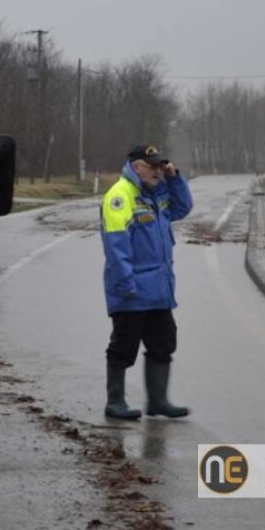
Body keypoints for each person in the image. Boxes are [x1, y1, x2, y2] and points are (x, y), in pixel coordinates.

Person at [100, 143, 193, 420]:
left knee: (164, 343)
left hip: (158, 290)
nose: (156, 171)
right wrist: (126, 285)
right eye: (151, 166)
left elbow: (183, 207)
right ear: (136, 166)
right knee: (123, 347)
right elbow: (117, 248)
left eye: (158, 166)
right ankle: (115, 402)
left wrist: (173, 177)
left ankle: (158, 401)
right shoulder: (120, 195)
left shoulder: (157, 193)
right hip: (131, 289)